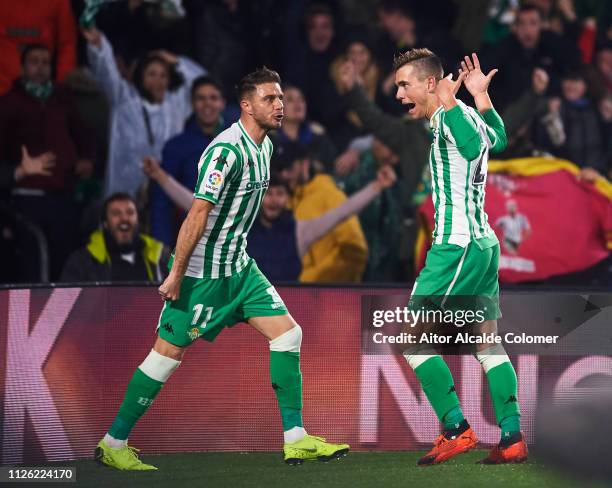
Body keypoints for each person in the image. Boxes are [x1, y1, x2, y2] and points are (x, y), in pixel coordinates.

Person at [94, 68, 350, 471]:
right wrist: (177, 274)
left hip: (241, 270)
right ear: (246, 105)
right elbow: (196, 214)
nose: (280, 105)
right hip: (202, 276)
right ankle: (113, 442)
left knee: (288, 334)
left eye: (281, 97)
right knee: (165, 356)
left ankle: (296, 439)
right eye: (270, 98)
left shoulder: (265, 147)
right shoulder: (224, 152)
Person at [394, 49, 527, 465]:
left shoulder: (451, 115)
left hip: (458, 246)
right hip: (483, 243)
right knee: (487, 344)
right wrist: (481, 98)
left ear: (430, 83)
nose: (399, 94)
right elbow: (497, 140)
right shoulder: (465, 112)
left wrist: (453, 103)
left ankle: (456, 429)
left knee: (413, 341)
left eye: (404, 85)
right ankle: (511, 436)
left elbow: (472, 150)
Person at [143, 159, 397, 282]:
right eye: (269, 195)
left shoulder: (300, 231)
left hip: (287, 315)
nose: (274, 201)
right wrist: (160, 176)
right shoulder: (239, 223)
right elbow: (194, 204)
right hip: (243, 316)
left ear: (287, 199)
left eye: (280, 194)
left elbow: (342, 212)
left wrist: (377, 186)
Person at [0, 44, 96, 282]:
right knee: (30, 263)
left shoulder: (62, 98)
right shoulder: (9, 103)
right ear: (22, 67)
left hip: (62, 195)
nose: (41, 67)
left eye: (46, 62)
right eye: (34, 61)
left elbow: (84, 133)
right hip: (25, 198)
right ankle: (29, 318)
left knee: (63, 261)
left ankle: (62, 317)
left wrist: (87, 159)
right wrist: (16, 172)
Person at [82, 25, 205, 198]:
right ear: (141, 75)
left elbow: (202, 83)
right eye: (152, 74)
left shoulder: (176, 105)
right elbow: (106, 72)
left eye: (163, 75)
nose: (158, 81)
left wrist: (177, 62)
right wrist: (98, 45)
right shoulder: (124, 99)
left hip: (166, 186)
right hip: (126, 186)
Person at [149, 76, 227, 246]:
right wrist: (161, 245)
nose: (207, 104)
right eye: (201, 98)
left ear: (222, 103)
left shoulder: (240, 141)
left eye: (213, 98)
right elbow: (161, 202)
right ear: (192, 104)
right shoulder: (176, 147)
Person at [278, 146, 369, 283]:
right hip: (291, 292)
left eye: (290, 168)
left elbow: (356, 252)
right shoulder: (283, 200)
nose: (284, 175)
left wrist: (316, 282)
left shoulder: (329, 195)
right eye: (280, 169)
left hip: (327, 294)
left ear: (306, 164)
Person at [61, 193, 169, 283]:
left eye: (130, 213)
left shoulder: (162, 257)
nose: (124, 218)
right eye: (116, 213)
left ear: (138, 220)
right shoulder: (82, 262)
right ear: (105, 223)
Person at [0, 0, 77, 95]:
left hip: (43, 93)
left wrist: (61, 89)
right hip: (4, 91)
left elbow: (67, 46)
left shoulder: (59, 3)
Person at [269, 84, 337, 173]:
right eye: (290, 99)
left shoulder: (317, 135)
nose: (298, 103)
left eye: (301, 99)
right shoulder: (269, 140)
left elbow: (332, 166)